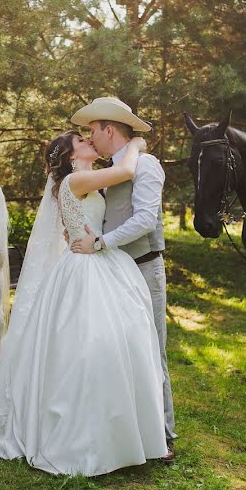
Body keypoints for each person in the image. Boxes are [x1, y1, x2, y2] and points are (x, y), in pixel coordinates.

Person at [0, 129, 167, 476]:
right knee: (88, 347)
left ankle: (120, 430)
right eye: (82, 141)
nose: (90, 142)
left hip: (100, 259)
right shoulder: (76, 181)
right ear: (70, 155)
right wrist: (136, 144)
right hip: (85, 266)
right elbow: (125, 172)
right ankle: (86, 434)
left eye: (89, 137)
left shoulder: (83, 180)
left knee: (118, 342)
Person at [68, 97, 176, 462]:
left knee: (152, 349)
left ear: (108, 129)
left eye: (93, 131)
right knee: (120, 352)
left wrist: (101, 242)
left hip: (144, 268)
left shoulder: (146, 165)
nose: (90, 138)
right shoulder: (109, 170)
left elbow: (146, 219)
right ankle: (129, 433)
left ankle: (163, 435)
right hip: (112, 273)